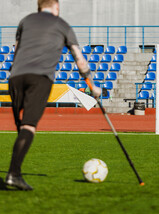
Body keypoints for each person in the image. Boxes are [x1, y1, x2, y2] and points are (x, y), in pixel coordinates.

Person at [5, 0, 101, 190]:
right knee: (29, 126)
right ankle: (13, 175)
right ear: (56, 7)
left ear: (39, 7)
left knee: (20, 127)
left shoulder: (25, 20)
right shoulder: (62, 24)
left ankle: (15, 171)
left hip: (15, 77)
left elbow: (16, 49)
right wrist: (92, 85)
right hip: (39, 78)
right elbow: (79, 58)